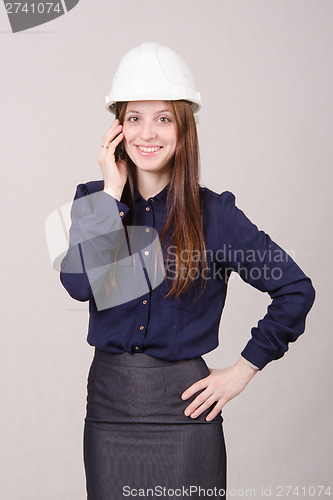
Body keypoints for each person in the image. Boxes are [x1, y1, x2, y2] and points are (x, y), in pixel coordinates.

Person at [59, 42, 316, 500]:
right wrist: (113, 198)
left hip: (187, 418)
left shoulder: (214, 215)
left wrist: (243, 369)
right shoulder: (93, 200)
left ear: (184, 128)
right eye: (134, 117)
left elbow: (295, 288)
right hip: (109, 414)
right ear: (117, 128)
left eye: (163, 118)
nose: (147, 133)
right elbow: (79, 284)